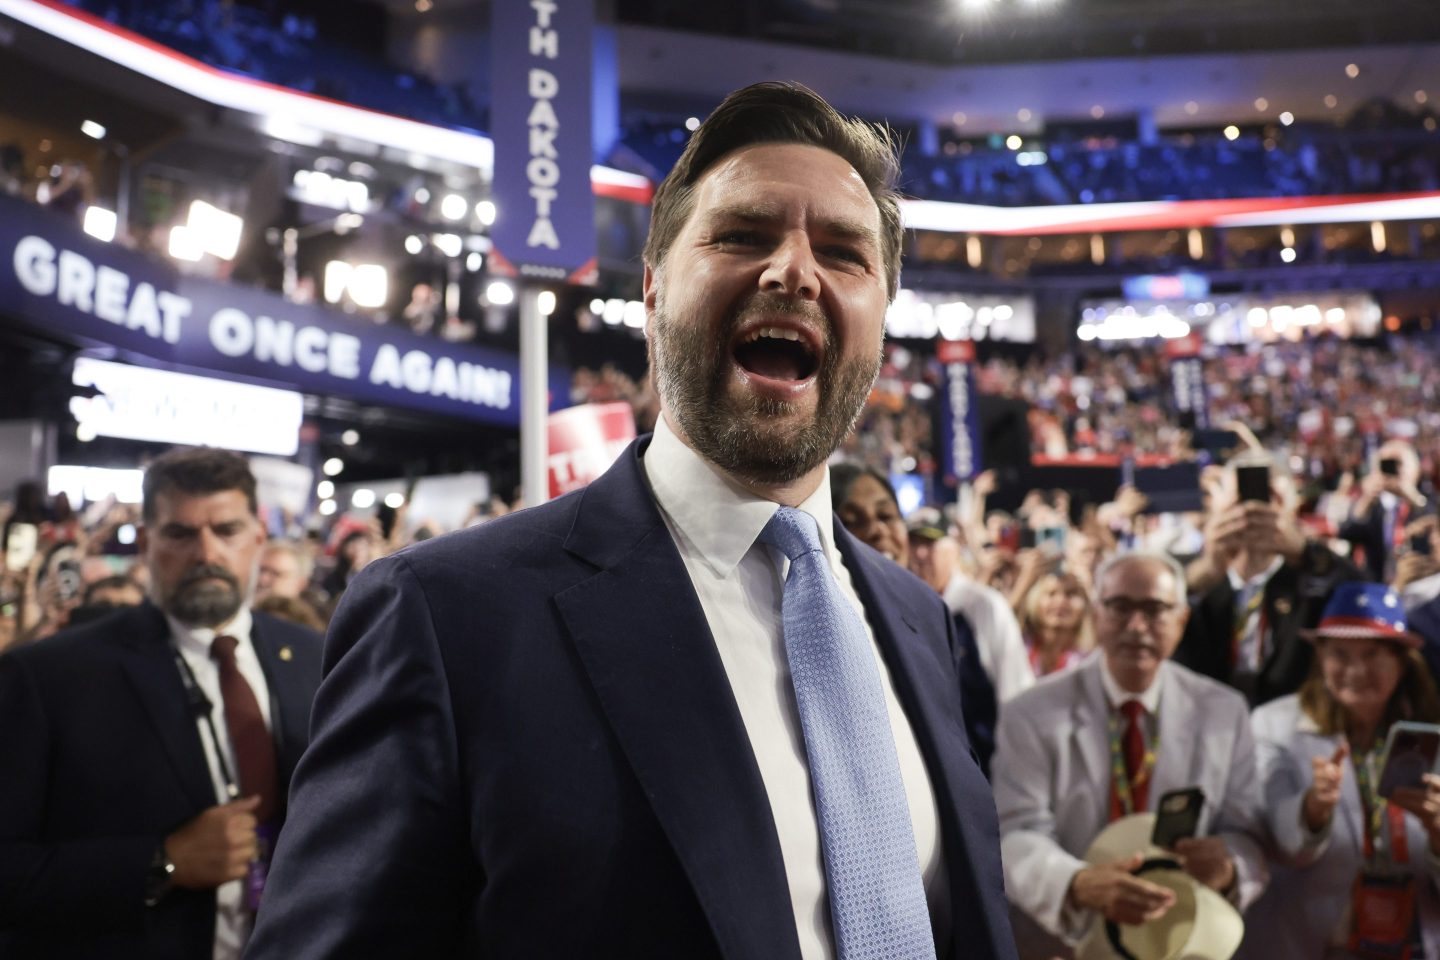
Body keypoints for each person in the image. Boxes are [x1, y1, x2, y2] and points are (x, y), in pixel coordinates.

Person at [249, 82, 1016, 960]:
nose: (794, 271)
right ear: (653, 289)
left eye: (845, 254)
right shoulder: (444, 615)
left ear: (881, 315)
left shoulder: (918, 623)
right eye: (742, 234)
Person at [0, 447, 323, 959]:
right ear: (146, 542)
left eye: (227, 530)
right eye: (181, 533)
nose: (207, 553)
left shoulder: (317, 657)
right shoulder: (49, 676)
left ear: (258, 538)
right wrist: (161, 863)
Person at [992, 552, 1267, 957]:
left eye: (1155, 610)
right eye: (1120, 607)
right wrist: (1075, 883)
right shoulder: (1031, 712)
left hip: (1179, 938)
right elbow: (1015, 832)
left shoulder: (1223, 712)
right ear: (1096, 613)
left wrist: (1228, 867)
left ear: (1182, 620)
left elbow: (1247, 834)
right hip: (1066, 941)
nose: (1136, 626)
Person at [1243, 582, 1440, 959]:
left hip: (1414, 942)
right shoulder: (1273, 724)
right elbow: (1276, 842)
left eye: (1373, 654)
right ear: (1319, 657)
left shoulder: (1433, 736)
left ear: (1401, 660)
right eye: (1340, 654)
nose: (1356, 669)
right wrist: (1313, 810)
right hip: (1305, 939)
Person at [831, 465, 1001, 775]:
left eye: (886, 516)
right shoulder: (823, 633)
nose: (877, 530)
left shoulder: (933, 613)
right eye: (851, 522)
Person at [1176, 456, 1362, 707]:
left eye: (1271, 499)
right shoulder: (1186, 574)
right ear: (1217, 505)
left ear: (1294, 506)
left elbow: (1362, 596)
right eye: (1241, 500)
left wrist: (1304, 552)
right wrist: (1206, 570)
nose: (1255, 512)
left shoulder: (1315, 577)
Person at [904, 507, 1034, 704]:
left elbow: (1015, 691)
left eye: (930, 543)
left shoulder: (984, 605)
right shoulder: (900, 607)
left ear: (955, 547)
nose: (920, 554)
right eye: (913, 543)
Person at [1340, 441, 1433, 584]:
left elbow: (1433, 523)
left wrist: (1411, 496)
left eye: (1398, 464)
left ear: (1416, 468)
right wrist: (1366, 500)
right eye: (1386, 464)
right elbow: (1346, 533)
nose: (1393, 471)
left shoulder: (1427, 498)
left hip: (1418, 584)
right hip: (1377, 584)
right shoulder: (1374, 506)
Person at [1018, 571, 1093, 678]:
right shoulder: (1018, 646)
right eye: (1051, 593)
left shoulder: (1088, 661)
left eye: (1070, 594)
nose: (1060, 601)